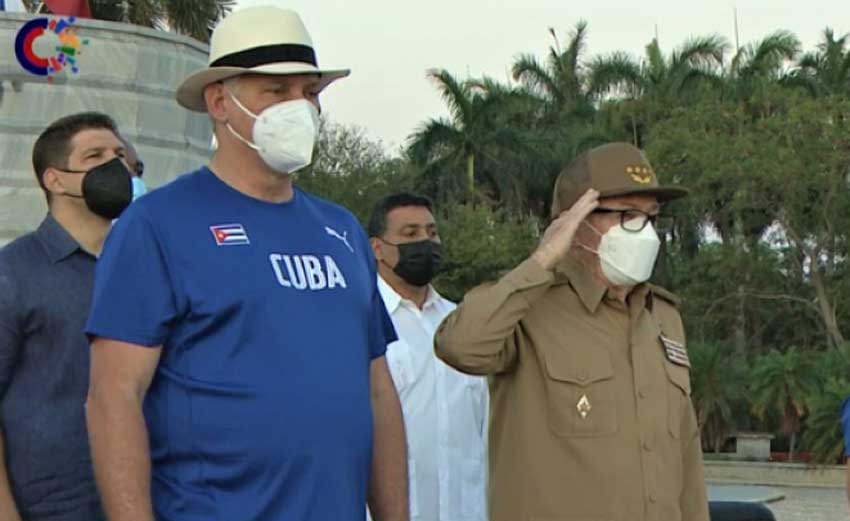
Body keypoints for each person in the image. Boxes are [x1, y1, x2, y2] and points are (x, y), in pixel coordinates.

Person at [84, 7, 407, 521]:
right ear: (220, 102)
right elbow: (114, 395)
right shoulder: (156, 225)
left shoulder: (342, 230)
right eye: (275, 92)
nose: (298, 108)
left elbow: (376, 391)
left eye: (309, 93)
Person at [435, 142, 710, 521]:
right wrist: (543, 258)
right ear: (575, 222)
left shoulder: (662, 316)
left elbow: (686, 458)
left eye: (651, 217)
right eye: (627, 215)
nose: (644, 232)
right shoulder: (528, 308)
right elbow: (458, 346)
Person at [0, 112, 139, 521]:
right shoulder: (13, 272)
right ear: (54, 180)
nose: (115, 167)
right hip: (50, 507)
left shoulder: (145, 269)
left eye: (120, 154)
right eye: (94, 156)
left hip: (143, 500)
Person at [369, 194, 488, 521]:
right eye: (410, 234)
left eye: (431, 232)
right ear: (378, 249)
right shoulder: (360, 322)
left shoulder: (461, 324)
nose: (425, 241)